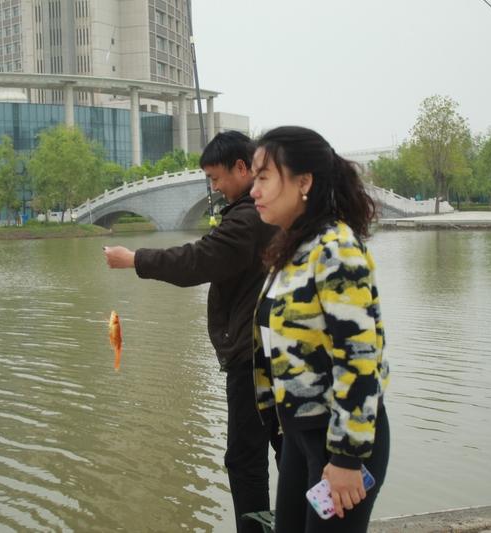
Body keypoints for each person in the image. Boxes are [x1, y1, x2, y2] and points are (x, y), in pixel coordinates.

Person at [103, 131, 282, 533]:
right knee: (287, 447)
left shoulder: (249, 217)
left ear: (242, 168)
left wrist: (134, 259)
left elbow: (198, 260)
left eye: (216, 178)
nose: (213, 188)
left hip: (252, 355)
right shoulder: (263, 213)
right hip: (274, 349)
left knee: (246, 458)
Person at [249, 126, 390, 533]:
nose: (254, 191)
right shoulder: (295, 249)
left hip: (341, 442)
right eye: (254, 178)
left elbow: (360, 358)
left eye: (264, 177)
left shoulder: (335, 248)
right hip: (301, 436)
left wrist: (346, 458)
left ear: (304, 182)